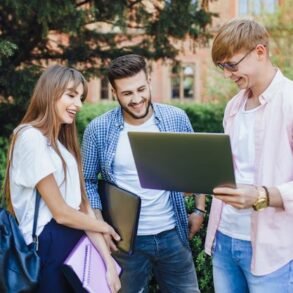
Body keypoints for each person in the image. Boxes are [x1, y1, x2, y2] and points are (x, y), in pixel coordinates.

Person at [82, 54, 205, 292]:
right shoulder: (98, 129)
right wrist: (101, 227)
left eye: (141, 89)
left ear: (149, 81)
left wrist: (199, 209)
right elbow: (87, 181)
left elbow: (196, 164)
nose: (137, 99)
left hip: (173, 236)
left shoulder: (175, 118)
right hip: (125, 243)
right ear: (114, 92)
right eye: (127, 93)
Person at [4, 64, 121, 293]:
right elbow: (60, 212)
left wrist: (108, 264)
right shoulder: (30, 137)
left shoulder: (61, 145)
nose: (78, 104)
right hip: (47, 248)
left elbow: (83, 207)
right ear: (50, 92)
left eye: (81, 97)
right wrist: (104, 226)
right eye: (71, 95)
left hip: (74, 246)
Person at [205, 18, 293, 293]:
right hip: (224, 239)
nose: (227, 74)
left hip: (271, 249)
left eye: (232, 65)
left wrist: (260, 196)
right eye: (222, 67)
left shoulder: (290, 101)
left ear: (260, 52)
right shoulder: (233, 106)